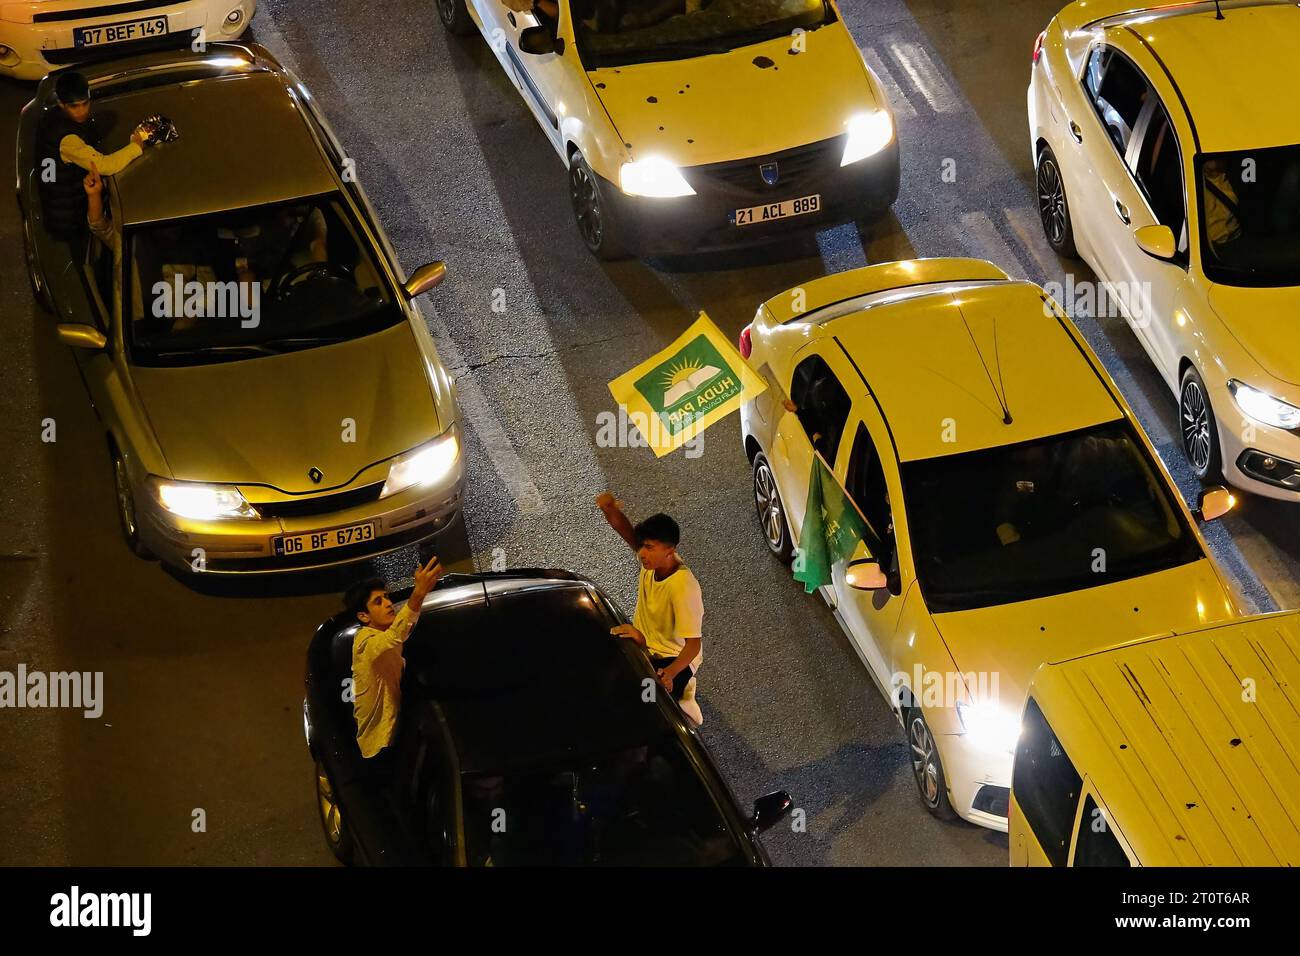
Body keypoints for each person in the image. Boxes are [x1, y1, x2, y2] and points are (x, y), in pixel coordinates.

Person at [596, 492, 703, 724]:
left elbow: (694, 645)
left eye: (649, 547)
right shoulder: (653, 562)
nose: (642, 553)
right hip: (642, 642)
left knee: (647, 709)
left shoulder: (683, 588)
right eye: (643, 546)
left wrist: (672, 673)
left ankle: (686, 705)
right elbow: (625, 531)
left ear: (670, 550)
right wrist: (610, 510)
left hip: (669, 657)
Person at [343, 554, 447, 760]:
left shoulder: (384, 632)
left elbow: (404, 626)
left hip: (399, 735)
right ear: (364, 616)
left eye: (387, 597)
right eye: (378, 602)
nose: (388, 604)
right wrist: (419, 592)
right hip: (381, 748)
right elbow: (395, 636)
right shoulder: (365, 643)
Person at [37, 71, 147, 242]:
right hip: (69, 219)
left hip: (58, 202)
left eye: (85, 104)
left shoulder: (53, 119)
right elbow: (105, 165)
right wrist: (136, 147)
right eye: (74, 106)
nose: (81, 111)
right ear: (61, 103)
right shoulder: (68, 139)